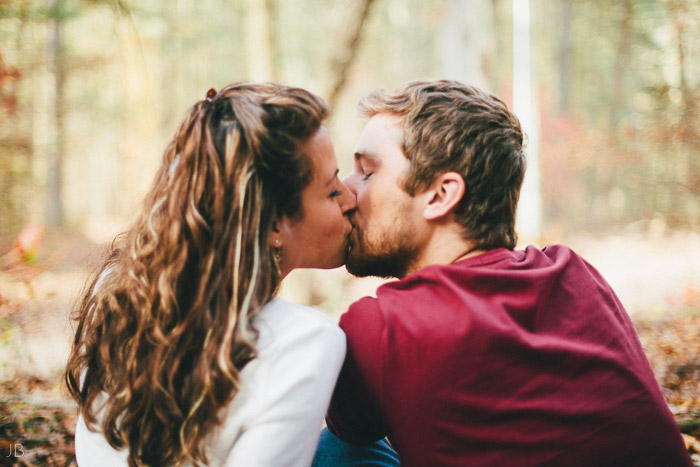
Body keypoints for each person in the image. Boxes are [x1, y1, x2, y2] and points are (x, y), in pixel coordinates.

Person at [314, 80, 692, 466]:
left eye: (367, 171)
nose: (345, 192)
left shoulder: (381, 329)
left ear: (441, 195)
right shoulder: (574, 273)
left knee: (330, 448)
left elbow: (349, 431)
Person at [65, 82, 357, 466]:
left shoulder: (117, 291)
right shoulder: (306, 341)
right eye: (332, 189)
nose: (351, 197)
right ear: (272, 224)